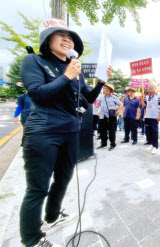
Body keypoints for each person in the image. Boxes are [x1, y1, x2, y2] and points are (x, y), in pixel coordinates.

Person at [19, 19, 112, 247]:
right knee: (37, 188)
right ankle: (31, 240)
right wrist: (67, 76)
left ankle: (52, 216)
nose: (66, 38)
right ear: (46, 40)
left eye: (69, 36)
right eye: (59, 34)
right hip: (43, 132)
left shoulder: (74, 69)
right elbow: (38, 94)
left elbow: (88, 99)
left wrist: (100, 83)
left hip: (70, 132)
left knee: (63, 179)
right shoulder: (34, 61)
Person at [95, 84, 122, 151]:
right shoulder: (101, 98)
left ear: (111, 91)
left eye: (107, 89)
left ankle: (112, 144)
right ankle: (103, 144)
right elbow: (97, 105)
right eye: (105, 88)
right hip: (102, 117)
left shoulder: (114, 97)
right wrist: (94, 100)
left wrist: (118, 111)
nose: (106, 90)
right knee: (102, 131)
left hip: (111, 117)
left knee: (111, 131)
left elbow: (120, 104)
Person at [141, 84, 160, 155]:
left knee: (154, 132)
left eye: (152, 87)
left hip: (154, 117)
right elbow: (143, 105)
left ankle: (155, 146)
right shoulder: (147, 97)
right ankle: (151, 144)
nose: (150, 88)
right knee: (148, 132)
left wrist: (159, 115)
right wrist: (142, 98)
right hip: (147, 116)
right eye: (149, 87)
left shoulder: (158, 96)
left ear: (155, 89)